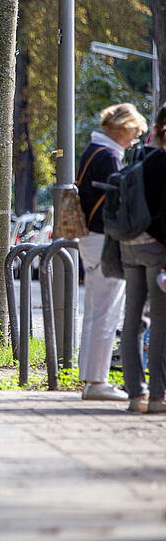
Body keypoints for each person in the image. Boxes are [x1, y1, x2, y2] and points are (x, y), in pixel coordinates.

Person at [77, 103, 148, 401]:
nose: (133, 140)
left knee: (94, 310)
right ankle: (97, 381)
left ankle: (90, 377)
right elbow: (118, 202)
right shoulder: (108, 157)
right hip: (104, 240)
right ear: (120, 129)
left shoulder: (93, 150)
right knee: (107, 312)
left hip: (89, 239)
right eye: (133, 133)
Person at [123, 105, 166, 413]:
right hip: (156, 248)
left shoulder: (138, 155)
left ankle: (135, 395)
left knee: (132, 320)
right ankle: (157, 396)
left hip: (129, 244)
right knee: (161, 323)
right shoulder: (163, 161)